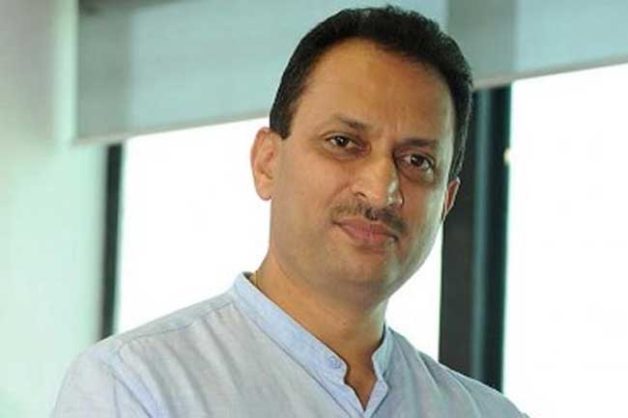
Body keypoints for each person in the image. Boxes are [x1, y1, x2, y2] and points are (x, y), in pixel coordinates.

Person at [53, 6, 527, 418]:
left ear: (446, 201)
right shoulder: (136, 386)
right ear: (267, 163)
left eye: (417, 162)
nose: (381, 191)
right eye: (344, 142)